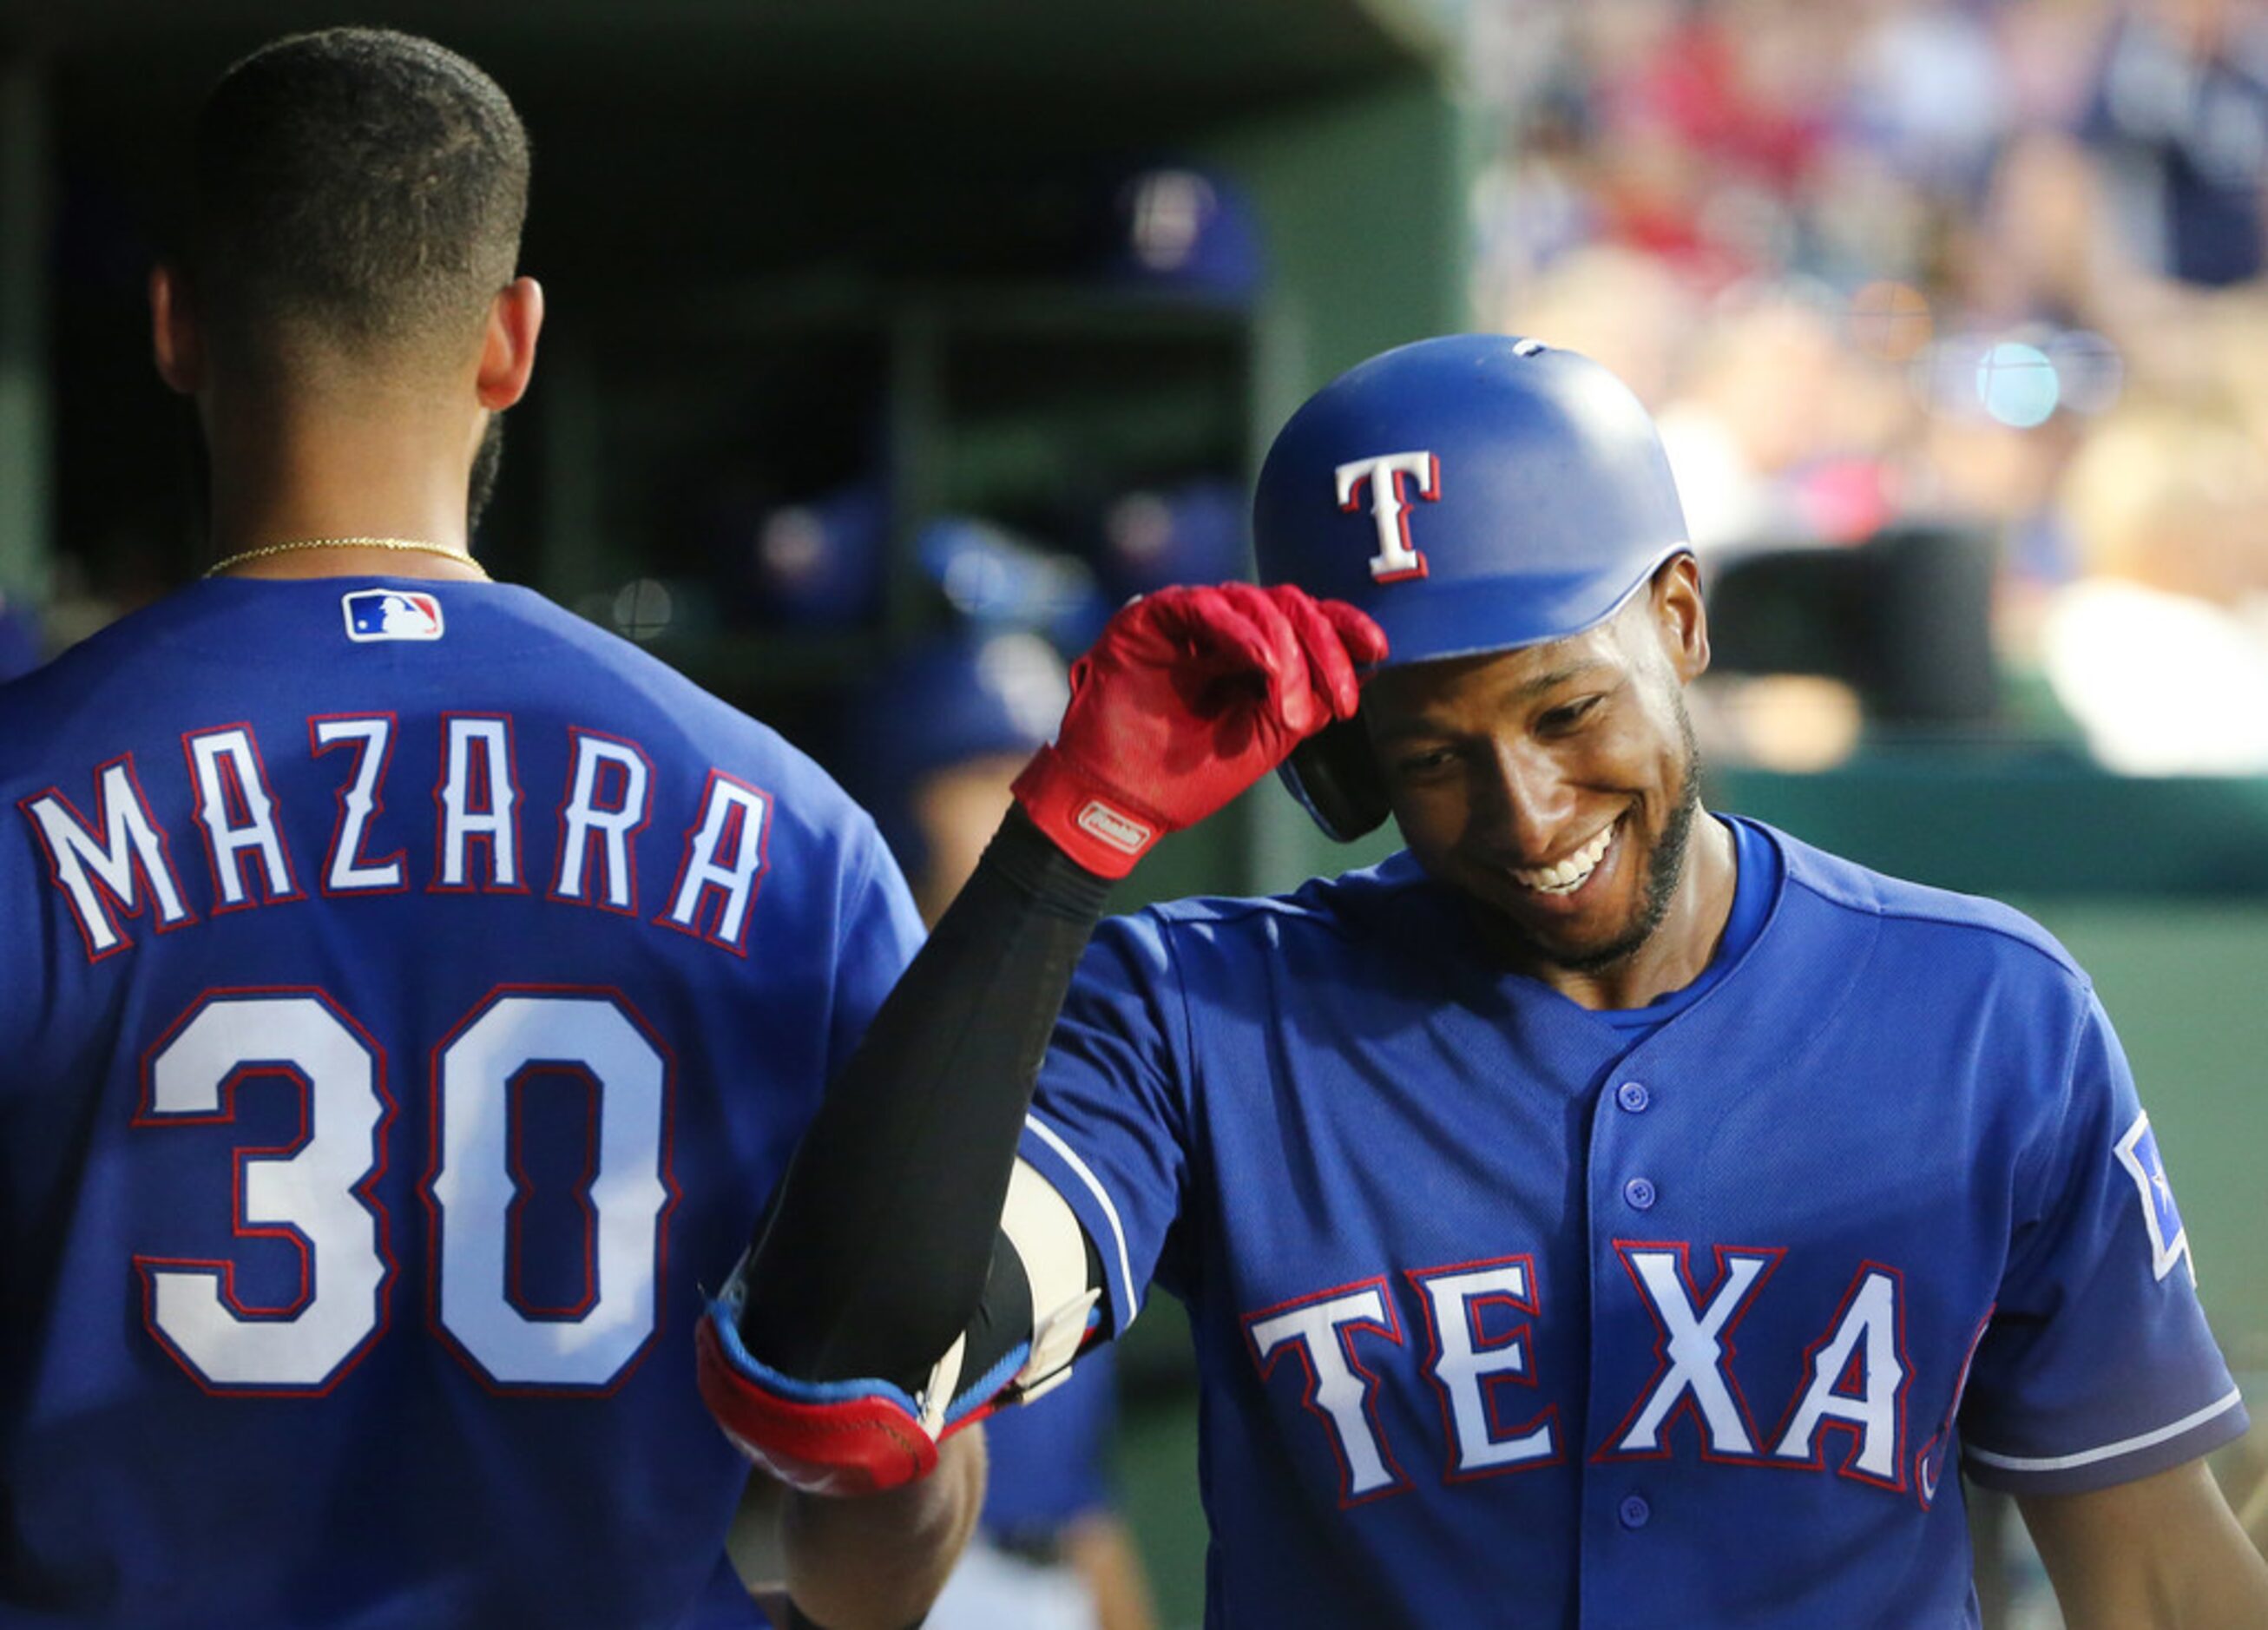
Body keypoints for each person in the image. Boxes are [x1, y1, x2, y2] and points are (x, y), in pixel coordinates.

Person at [699, 333, 2268, 1626]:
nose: (1522, 812)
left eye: (1566, 708)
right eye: (1432, 753)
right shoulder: (1198, 1018)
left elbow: (2145, 1569)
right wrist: (1060, 844)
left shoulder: (1983, 1011)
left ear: (1678, 613)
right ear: (1342, 760)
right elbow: (847, 1364)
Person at [0, 29, 975, 1629]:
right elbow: (882, 1530)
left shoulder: (23, 788)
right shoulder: (794, 832)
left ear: (175, 327)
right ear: (509, 342)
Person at [831, 630, 1159, 1630]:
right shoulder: (824, 1041)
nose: (1030, 813)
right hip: (881, 1579)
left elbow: (1063, 1462)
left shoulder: (1073, 1052)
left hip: (1041, 1570)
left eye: (1041, 777)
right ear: (902, 801)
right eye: (986, 779)